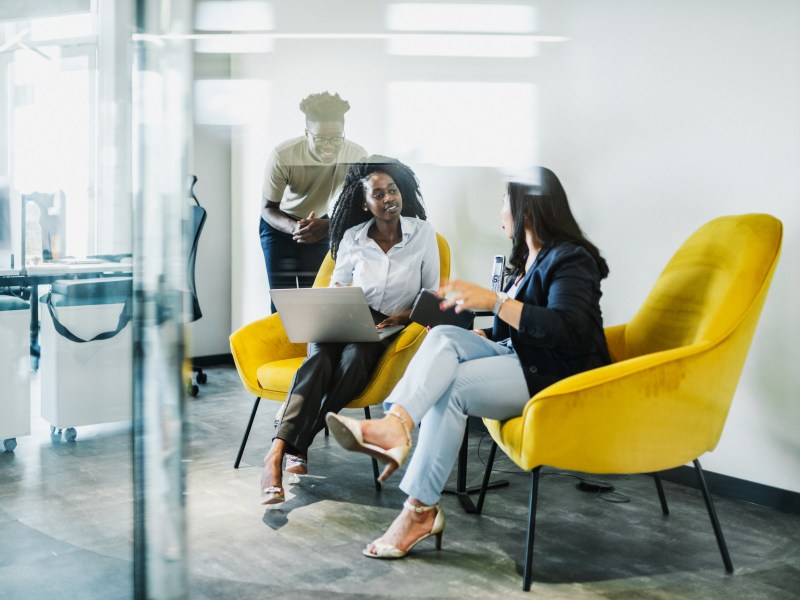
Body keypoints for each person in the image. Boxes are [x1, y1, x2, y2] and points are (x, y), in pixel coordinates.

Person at [326, 167, 611, 558]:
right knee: (444, 335)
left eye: (504, 201)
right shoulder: (528, 259)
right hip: (523, 357)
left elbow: (568, 330)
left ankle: (419, 511)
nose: (501, 210)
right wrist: (486, 336)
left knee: (453, 388)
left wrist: (495, 302)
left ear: (526, 209)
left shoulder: (571, 259)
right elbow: (521, 329)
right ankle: (396, 425)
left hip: (559, 374)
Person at [260, 156, 440, 505]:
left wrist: (403, 316)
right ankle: (278, 453)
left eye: (392, 191)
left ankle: (289, 446)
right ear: (364, 204)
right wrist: (340, 296)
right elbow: (338, 282)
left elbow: (432, 293)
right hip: (343, 315)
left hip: (385, 326)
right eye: (378, 194)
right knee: (318, 363)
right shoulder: (352, 237)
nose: (389, 198)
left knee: (354, 361)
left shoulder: (423, 234)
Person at [260, 91, 368, 312]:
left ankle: (310, 339)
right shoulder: (283, 155)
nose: (329, 146)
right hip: (279, 225)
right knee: (283, 302)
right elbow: (267, 209)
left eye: (336, 138)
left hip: (322, 223)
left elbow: (362, 209)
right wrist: (295, 228)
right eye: (320, 139)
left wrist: (328, 226)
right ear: (306, 133)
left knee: (316, 298)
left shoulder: (356, 156)